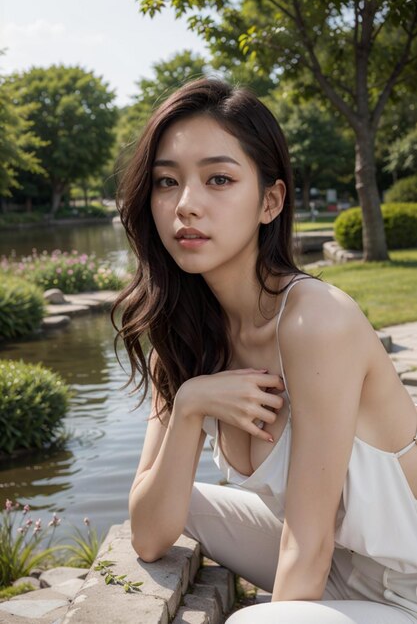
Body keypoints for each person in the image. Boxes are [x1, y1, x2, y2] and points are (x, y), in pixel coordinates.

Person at [112, 78, 417, 623]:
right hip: (348, 572)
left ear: (270, 201)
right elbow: (150, 534)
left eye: (219, 179)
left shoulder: (314, 319)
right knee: (188, 500)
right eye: (166, 181)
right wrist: (189, 406)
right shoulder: (181, 341)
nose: (186, 205)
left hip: (407, 590)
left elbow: (309, 545)